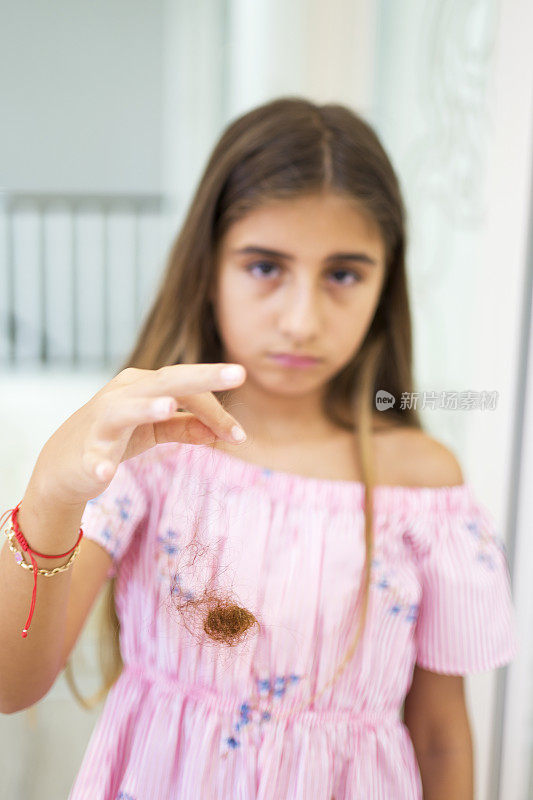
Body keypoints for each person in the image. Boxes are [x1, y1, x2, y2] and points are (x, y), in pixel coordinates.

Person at [0, 97, 518, 800]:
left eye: (343, 274)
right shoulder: (148, 455)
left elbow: (439, 738)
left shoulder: (424, 487)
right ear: (207, 267)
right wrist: (53, 491)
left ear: (384, 282)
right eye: (264, 266)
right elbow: (10, 685)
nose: (302, 320)